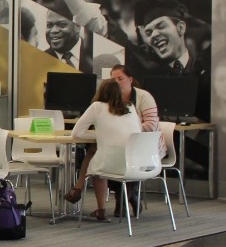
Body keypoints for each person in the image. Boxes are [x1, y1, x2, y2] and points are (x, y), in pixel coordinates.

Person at [63, 65, 161, 217]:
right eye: (113, 79)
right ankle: (122, 198)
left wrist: (102, 136)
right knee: (96, 151)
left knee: (96, 168)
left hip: (128, 157)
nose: (117, 82)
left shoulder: (98, 107)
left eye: (120, 78)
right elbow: (134, 130)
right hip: (136, 160)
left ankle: (96, 203)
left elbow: (77, 133)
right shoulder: (131, 108)